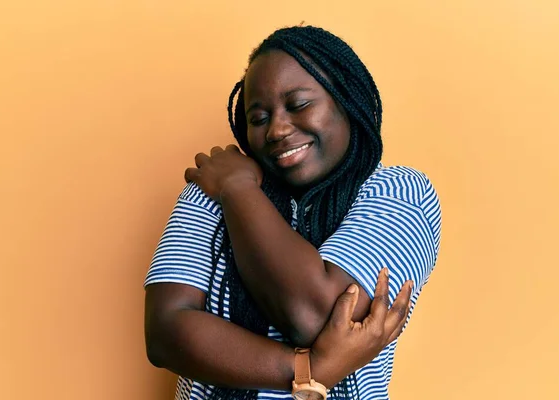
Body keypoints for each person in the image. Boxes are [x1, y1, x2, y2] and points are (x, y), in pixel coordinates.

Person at [144, 25, 441, 400]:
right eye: (258, 118)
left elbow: (314, 315)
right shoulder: (210, 190)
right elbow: (165, 332)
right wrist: (312, 371)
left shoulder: (398, 193)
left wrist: (239, 191)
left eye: (298, 105)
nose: (276, 130)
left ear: (347, 101)